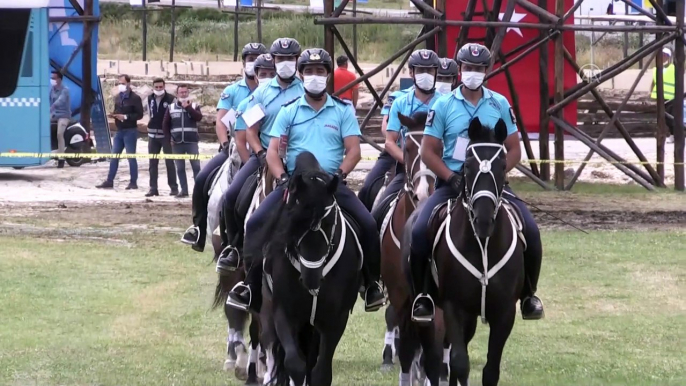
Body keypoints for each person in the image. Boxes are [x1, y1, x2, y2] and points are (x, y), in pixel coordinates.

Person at [226, 48, 386, 313]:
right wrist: (282, 178)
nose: (314, 77)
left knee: (368, 224)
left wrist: (339, 176)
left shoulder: (342, 110)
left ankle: (370, 285)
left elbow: (354, 151)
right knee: (255, 223)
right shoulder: (289, 111)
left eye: (320, 72)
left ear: (327, 76)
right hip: (295, 185)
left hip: (331, 185)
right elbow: (274, 151)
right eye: (309, 72)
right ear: (302, 74)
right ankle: (250, 287)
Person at [409, 43, 545, 322]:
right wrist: (450, 178)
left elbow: (515, 149)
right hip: (454, 182)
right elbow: (427, 151)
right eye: (468, 68)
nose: (473, 73)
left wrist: (496, 173)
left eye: (479, 68)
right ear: (459, 70)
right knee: (420, 229)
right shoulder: (443, 105)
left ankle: (529, 295)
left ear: (487, 70)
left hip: (492, 185)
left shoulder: (500, 104)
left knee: (531, 231)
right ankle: (423, 295)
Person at [214, 37, 304, 274]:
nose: (286, 63)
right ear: (273, 61)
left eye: (290, 59)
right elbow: (251, 132)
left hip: (298, 158)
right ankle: (234, 247)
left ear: (297, 61)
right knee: (232, 196)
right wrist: (261, 153)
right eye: (281, 59)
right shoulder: (261, 93)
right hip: (265, 155)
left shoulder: (306, 90)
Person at [180, 42, 267, 251]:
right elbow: (221, 121)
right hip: (236, 147)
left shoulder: (271, 90)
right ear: (244, 63)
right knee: (202, 179)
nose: (253, 62)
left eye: (258, 58)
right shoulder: (233, 91)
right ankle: (198, 229)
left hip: (267, 148)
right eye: (250, 58)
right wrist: (226, 144)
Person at [379, 49, 442, 203]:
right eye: (421, 70)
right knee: (375, 199)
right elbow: (390, 141)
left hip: (440, 169)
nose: (425, 74)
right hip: (406, 167)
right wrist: (410, 163)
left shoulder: (445, 103)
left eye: (429, 70)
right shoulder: (400, 103)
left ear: (436, 73)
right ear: (412, 73)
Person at [357, 87, 409, 211]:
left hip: (431, 157)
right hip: (395, 152)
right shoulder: (398, 96)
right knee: (367, 186)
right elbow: (385, 128)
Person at [96, 74, 144, 190]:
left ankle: (133, 182)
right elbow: (117, 110)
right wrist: (114, 115)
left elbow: (140, 115)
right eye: (119, 83)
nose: (120, 85)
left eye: (123, 83)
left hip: (130, 130)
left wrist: (126, 117)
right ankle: (109, 180)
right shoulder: (117, 97)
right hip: (119, 130)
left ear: (128, 83)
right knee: (114, 157)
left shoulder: (135, 98)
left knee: (130, 157)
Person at [162, 84, 203, 197]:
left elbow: (199, 118)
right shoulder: (171, 107)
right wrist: (169, 138)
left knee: (196, 167)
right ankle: (184, 191)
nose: (184, 94)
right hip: (177, 142)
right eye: (181, 92)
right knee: (180, 168)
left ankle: (198, 192)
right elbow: (165, 125)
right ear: (177, 94)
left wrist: (188, 108)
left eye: (185, 92)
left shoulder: (194, 106)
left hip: (192, 142)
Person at [144, 77, 178, 197]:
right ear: (153, 87)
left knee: (170, 162)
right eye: (156, 87)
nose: (158, 89)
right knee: (152, 163)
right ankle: (153, 188)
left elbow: (175, 117)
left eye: (161, 87)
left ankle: (174, 187)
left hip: (166, 136)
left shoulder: (171, 99)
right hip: (152, 135)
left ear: (164, 86)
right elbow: (149, 113)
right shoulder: (149, 98)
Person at [650, 47, 675, 143]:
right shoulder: (656, 69)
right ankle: (662, 134)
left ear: (669, 57)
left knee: (669, 117)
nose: (663, 57)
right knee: (661, 117)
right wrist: (650, 92)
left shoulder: (673, 68)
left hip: (670, 97)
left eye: (665, 55)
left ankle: (673, 135)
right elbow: (653, 82)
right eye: (662, 55)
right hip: (659, 97)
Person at [50, 70, 71, 169]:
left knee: (59, 134)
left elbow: (60, 101)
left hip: (64, 115)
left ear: (59, 79)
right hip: (54, 114)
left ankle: (61, 158)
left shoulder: (65, 90)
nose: (52, 80)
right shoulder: (52, 89)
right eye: (51, 78)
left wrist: (52, 107)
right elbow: (47, 99)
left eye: (54, 78)